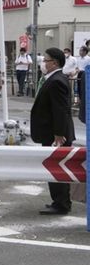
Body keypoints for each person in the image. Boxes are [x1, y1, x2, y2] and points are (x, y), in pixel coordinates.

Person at [31, 47, 75, 215]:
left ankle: (61, 203)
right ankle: (59, 200)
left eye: (45, 60)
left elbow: (60, 110)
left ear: (54, 62)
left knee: (56, 168)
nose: (43, 63)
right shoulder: (52, 79)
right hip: (51, 133)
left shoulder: (57, 81)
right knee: (54, 167)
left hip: (55, 135)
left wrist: (58, 134)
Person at [77, 46, 90, 123]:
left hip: (86, 73)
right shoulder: (78, 59)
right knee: (79, 89)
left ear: (85, 52)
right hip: (80, 73)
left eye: (81, 51)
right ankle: (80, 100)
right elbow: (77, 67)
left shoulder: (88, 59)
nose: (80, 52)